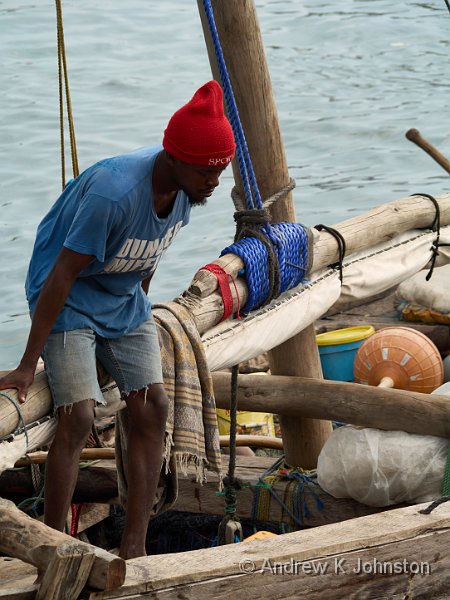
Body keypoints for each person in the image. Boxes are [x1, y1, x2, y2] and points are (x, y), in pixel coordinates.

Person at [0, 80, 235, 559]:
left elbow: (145, 257)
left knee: (153, 406)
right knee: (79, 414)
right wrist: (27, 364)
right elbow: (62, 275)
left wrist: (129, 334)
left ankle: (135, 546)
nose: (214, 182)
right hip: (66, 298)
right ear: (173, 158)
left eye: (221, 171)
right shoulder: (114, 193)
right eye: (207, 171)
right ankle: (55, 546)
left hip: (121, 300)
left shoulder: (188, 192)